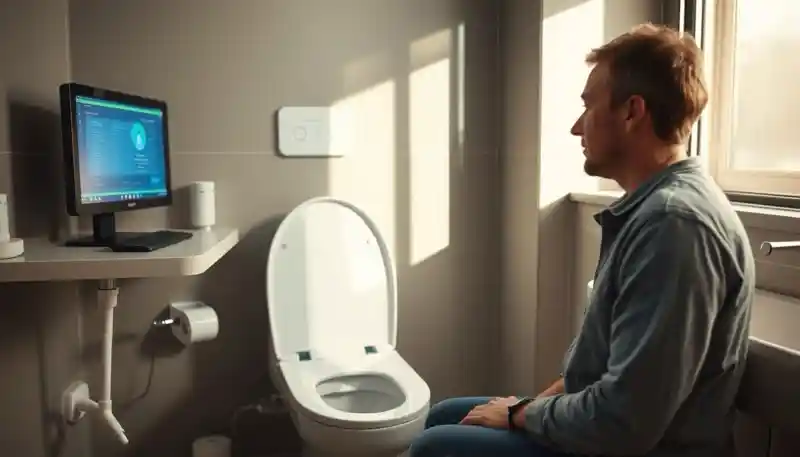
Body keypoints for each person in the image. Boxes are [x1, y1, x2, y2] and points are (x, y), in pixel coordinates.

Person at [408, 23, 755, 457]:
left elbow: (624, 422)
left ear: (632, 112)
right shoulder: (652, 210)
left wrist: (519, 415)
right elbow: (603, 369)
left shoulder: (674, 225)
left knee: (435, 446)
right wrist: (533, 405)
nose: (576, 127)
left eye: (588, 105)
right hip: (611, 433)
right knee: (445, 415)